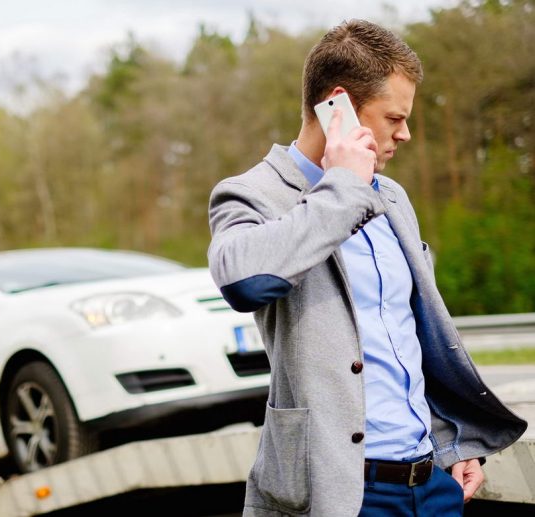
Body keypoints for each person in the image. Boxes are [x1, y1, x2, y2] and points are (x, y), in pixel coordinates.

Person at [207, 19, 526, 517]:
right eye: (394, 118)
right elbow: (244, 281)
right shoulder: (252, 194)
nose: (407, 133)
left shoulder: (393, 196)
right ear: (341, 107)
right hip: (340, 496)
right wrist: (342, 187)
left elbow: (405, 339)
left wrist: (455, 442)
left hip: (433, 486)